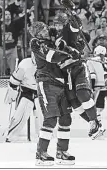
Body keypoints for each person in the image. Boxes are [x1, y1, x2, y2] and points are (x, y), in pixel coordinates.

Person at [29, 21, 78, 166]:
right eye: (43, 29)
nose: (46, 30)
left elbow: (68, 39)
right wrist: (69, 54)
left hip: (61, 83)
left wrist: (72, 51)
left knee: (65, 119)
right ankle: (41, 153)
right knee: (50, 119)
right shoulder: (35, 43)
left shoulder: (53, 40)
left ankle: (62, 151)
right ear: (37, 33)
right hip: (46, 82)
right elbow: (52, 57)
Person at [53, 10, 101, 139]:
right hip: (64, 72)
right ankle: (94, 123)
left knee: (82, 94)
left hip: (77, 67)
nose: (58, 27)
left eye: (60, 24)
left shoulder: (68, 30)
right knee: (74, 102)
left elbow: (76, 25)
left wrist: (72, 11)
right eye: (56, 24)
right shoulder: (53, 35)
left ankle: (94, 122)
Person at [4, 56, 43, 142]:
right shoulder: (25, 63)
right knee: (20, 115)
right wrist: (12, 92)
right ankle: (11, 137)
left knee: (42, 117)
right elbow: (14, 81)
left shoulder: (48, 63)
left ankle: (44, 138)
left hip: (41, 92)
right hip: (26, 92)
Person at [86, 45, 107, 139]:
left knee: (95, 110)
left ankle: (98, 129)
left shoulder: (90, 60)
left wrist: (92, 88)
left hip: (98, 87)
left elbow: (92, 76)